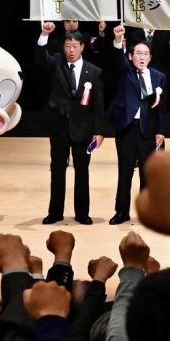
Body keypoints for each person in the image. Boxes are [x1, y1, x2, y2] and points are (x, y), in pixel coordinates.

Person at [35, 22, 105, 225]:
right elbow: (41, 58)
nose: (71, 50)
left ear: (82, 47)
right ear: (63, 47)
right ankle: (55, 212)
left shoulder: (94, 71)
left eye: (75, 46)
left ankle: (82, 213)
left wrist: (99, 132)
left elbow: (98, 105)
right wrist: (44, 35)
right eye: (67, 46)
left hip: (83, 129)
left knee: (82, 171)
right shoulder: (56, 64)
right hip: (59, 128)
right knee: (57, 170)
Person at [107, 26, 166, 225]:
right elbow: (118, 59)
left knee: (147, 174)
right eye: (138, 53)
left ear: (150, 57)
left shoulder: (158, 77)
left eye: (145, 54)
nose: (142, 57)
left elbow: (162, 107)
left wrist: (161, 131)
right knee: (125, 172)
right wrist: (118, 40)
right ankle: (121, 212)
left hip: (148, 130)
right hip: (127, 128)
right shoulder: (126, 72)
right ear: (131, 56)